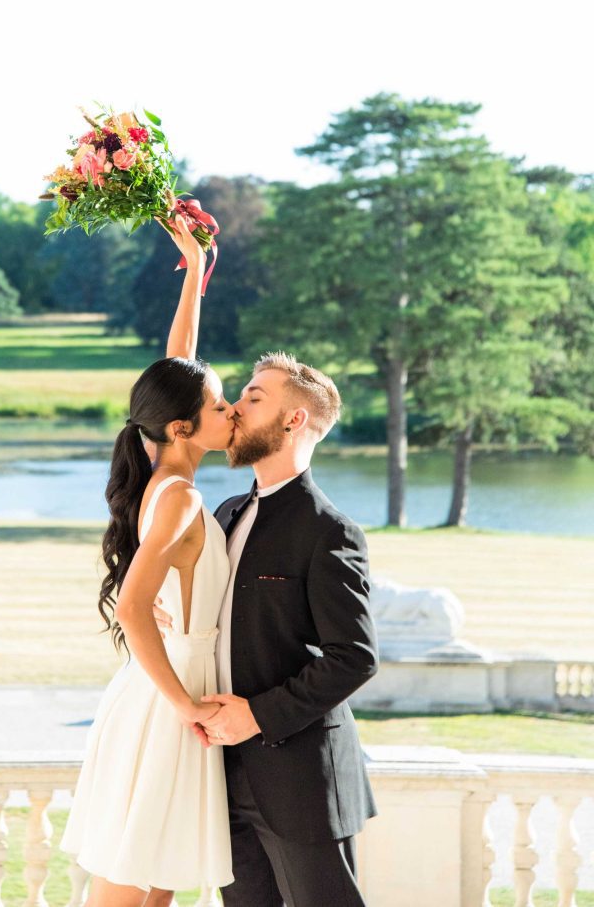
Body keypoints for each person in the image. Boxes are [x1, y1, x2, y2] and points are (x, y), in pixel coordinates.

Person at [155, 355, 380, 907]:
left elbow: (354, 657)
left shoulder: (330, 531)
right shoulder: (224, 513)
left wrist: (255, 715)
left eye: (255, 398)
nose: (235, 406)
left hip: (300, 779)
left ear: (294, 420)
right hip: (221, 773)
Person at [60, 216, 235, 907]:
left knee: (159, 894)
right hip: (168, 701)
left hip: (172, 695)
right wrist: (185, 705)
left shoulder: (165, 463)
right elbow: (133, 608)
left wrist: (195, 275)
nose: (231, 413)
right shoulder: (180, 499)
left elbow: (179, 370)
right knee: (129, 895)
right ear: (183, 428)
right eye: (221, 406)